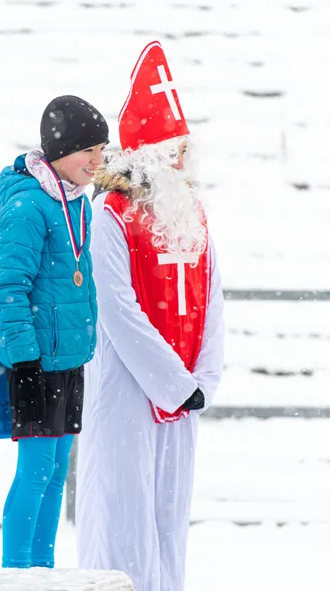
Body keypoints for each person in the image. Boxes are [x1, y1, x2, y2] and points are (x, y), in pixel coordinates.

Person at [76, 41, 224, 591]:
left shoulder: (194, 216)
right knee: (123, 511)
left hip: (182, 392)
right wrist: (170, 382)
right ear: (154, 156)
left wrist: (200, 380)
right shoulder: (110, 215)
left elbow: (212, 298)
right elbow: (117, 308)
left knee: (167, 516)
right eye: (178, 149)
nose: (187, 160)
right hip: (128, 389)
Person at [0, 95, 109, 569]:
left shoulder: (76, 203)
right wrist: (24, 362)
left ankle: (43, 571)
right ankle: (17, 572)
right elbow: (10, 289)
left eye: (103, 150)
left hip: (68, 359)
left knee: (58, 472)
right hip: (36, 362)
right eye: (89, 151)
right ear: (60, 150)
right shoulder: (27, 207)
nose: (98, 162)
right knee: (36, 472)